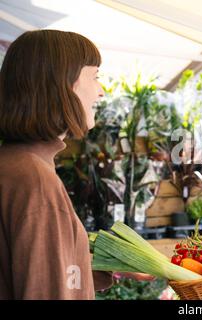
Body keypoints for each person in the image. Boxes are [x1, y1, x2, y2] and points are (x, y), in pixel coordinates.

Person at [0, 29, 142, 299]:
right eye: (95, 76)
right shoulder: (34, 180)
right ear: (61, 83)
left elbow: (37, 271)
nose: (101, 91)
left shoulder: (13, 166)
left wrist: (114, 264)